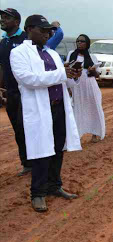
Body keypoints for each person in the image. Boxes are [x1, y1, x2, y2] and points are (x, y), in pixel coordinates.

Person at [10, 14, 82, 212]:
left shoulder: (50, 53)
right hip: (41, 109)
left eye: (49, 30)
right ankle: (38, 193)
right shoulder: (19, 53)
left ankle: (54, 186)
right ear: (29, 29)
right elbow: (28, 79)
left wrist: (72, 75)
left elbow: (61, 78)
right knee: (42, 151)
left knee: (58, 148)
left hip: (59, 106)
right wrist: (61, 73)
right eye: (42, 30)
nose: (47, 34)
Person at [0, 8, 64, 176]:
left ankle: (43, 171)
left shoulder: (28, 40)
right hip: (12, 94)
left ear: (17, 21)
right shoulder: (4, 42)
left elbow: (40, 69)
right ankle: (26, 163)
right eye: (2, 17)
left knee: (37, 133)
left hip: (33, 95)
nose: (3, 20)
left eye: (7, 17)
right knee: (19, 131)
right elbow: (2, 67)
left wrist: (57, 27)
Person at [66, 34, 105, 142]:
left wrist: (93, 70)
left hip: (90, 86)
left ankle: (95, 133)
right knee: (77, 110)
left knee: (94, 109)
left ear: (87, 43)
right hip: (77, 86)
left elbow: (97, 75)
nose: (79, 43)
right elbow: (67, 70)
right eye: (78, 41)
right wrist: (69, 88)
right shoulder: (71, 54)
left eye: (82, 41)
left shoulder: (92, 57)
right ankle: (76, 137)